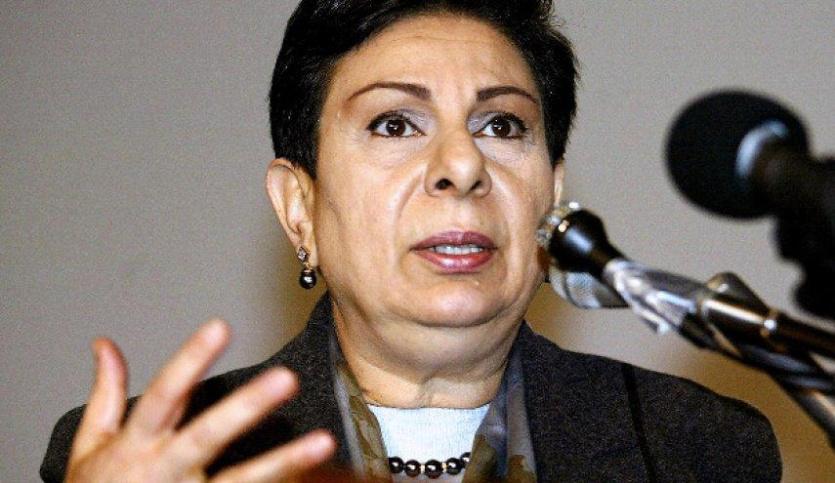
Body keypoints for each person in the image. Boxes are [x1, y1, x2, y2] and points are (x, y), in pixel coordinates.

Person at [41, 1, 782, 481]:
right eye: (394, 123)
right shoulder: (151, 455)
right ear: (299, 208)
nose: (462, 165)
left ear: (551, 198)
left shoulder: (695, 447)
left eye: (502, 125)